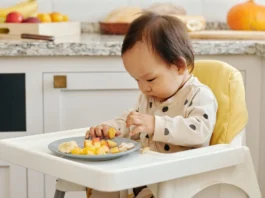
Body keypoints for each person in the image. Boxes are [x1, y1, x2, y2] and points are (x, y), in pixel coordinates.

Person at [86, 11, 218, 198]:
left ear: (179, 66)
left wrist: (156, 124)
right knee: (103, 186)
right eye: (136, 80)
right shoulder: (150, 95)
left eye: (150, 79)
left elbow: (199, 131)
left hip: (178, 182)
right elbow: (132, 119)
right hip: (145, 175)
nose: (143, 88)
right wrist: (110, 128)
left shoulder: (199, 94)